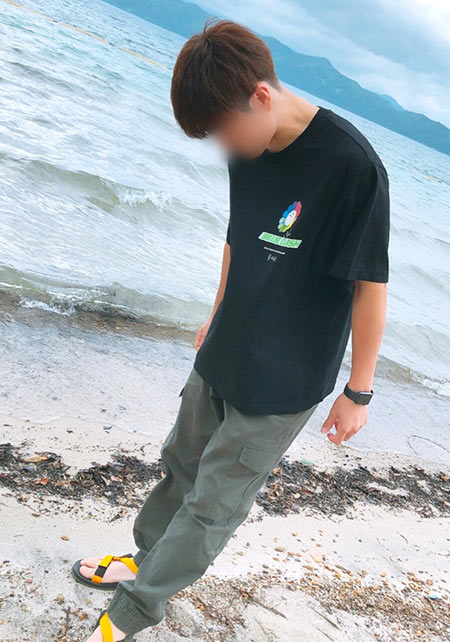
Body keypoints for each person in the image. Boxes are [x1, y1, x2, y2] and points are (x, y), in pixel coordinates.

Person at [76, 17, 390, 641]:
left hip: (284, 379)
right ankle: (144, 557)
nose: (224, 146)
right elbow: (237, 238)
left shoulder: (354, 168)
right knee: (180, 465)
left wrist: (358, 391)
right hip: (227, 346)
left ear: (261, 96)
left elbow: (370, 285)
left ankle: (132, 613)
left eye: (223, 129)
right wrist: (216, 313)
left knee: (213, 504)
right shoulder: (249, 147)